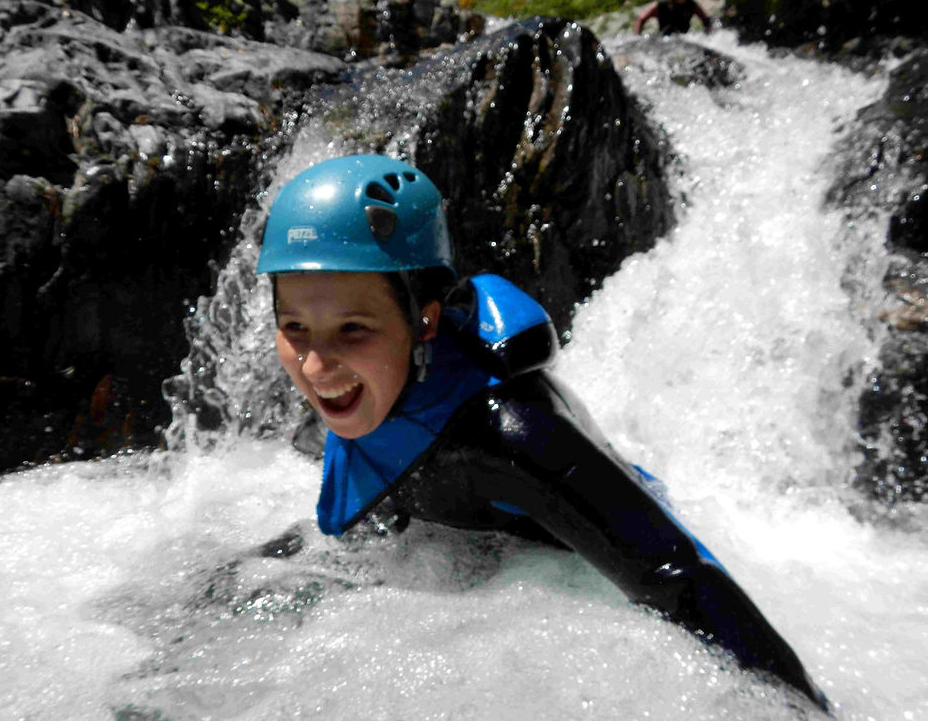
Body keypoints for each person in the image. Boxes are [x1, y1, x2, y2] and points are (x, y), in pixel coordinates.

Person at [256, 154, 830, 713]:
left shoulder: (508, 436)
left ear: (424, 319)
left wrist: (803, 709)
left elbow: (676, 579)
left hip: (568, 557)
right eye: (295, 329)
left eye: (353, 330)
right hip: (451, 543)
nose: (314, 368)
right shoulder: (350, 397)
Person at [634, 0, 712, 36]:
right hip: (665, 40)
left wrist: (708, 35)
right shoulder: (661, 5)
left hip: (684, 38)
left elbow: (706, 21)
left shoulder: (692, 5)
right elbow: (641, 19)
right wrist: (637, 36)